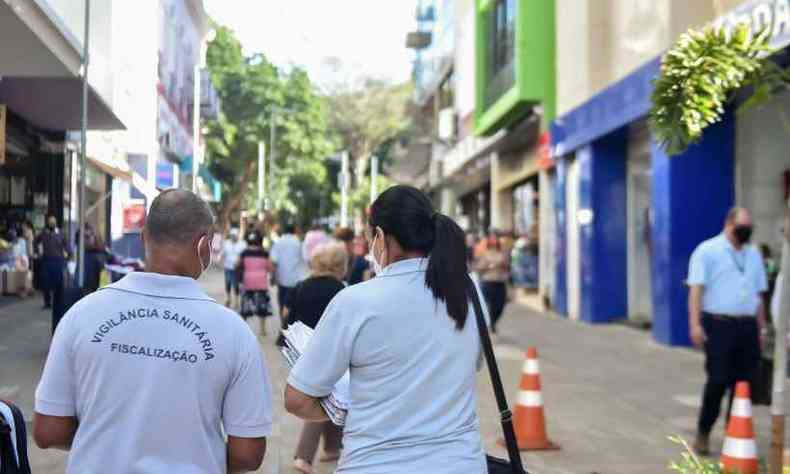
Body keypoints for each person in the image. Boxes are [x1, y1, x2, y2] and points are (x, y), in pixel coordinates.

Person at [32, 189, 272, 474]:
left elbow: (48, 431)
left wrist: (107, 442)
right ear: (204, 246)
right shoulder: (234, 332)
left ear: (144, 237)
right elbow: (248, 454)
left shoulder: (82, 315)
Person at [285, 185, 487, 474]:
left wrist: (347, 411)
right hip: (460, 464)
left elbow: (297, 399)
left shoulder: (355, 302)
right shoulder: (470, 293)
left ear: (379, 236)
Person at [688, 207, 767, 456]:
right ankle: (703, 432)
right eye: (742, 227)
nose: (746, 232)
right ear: (729, 224)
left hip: (746, 326)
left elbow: (758, 295)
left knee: (743, 384)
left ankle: (734, 433)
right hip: (718, 324)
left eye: (749, 227)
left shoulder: (753, 254)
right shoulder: (708, 251)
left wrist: (761, 328)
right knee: (718, 380)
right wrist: (695, 324)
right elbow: (696, 290)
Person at [283, 242, 348, 473]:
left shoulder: (301, 286)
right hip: (332, 353)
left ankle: (332, 448)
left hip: (302, 352)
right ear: (340, 265)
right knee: (323, 400)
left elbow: (287, 318)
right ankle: (304, 456)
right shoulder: (343, 290)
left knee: (334, 398)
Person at [35, 215, 71, 331]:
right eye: (50, 222)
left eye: (53, 222)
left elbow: (67, 246)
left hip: (58, 261)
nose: (51, 224)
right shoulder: (44, 234)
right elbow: (36, 242)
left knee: (59, 282)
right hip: (46, 260)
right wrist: (38, 252)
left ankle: (58, 301)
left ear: (56, 223)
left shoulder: (61, 234)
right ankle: (47, 302)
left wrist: (69, 256)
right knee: (46, 282)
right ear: (47, 223)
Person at [238, 230, 274, 336]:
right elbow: (270, 268)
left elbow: (236, 264)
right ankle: (262, 330)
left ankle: (243, 329)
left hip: (248, 281)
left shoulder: (244, 252)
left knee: (246, 305)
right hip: (261, 281)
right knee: (262, 305)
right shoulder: (265, 253)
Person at [476, 231, 511, 333]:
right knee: (489, 305)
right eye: (492, 238)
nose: (494, 240)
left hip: (500, 282)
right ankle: (491, 324)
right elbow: (478, 268)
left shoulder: (502, 253)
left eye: (496, 238)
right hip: (488, 282)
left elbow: (507, 267)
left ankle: (493, 322)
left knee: (500, 305)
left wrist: (503, 265)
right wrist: (488, 266)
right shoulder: (484, 253)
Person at [271, 224, 306, 317]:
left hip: (282, 279)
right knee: (294, 305)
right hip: (296, 280)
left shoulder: (278, 242)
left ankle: (283, 325)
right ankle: (290, 326)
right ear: (294, 230)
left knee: (282, 303)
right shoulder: (298, 242)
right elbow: (305, 259)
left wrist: (273, 276)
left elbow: (274, 261)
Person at [222, 227, 246, 308]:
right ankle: (228, 299)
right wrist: (220, 259)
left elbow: (244, 256)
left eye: (235, 235)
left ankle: (236, 301)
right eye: (232, 235)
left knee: (236, 284)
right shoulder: (226, 243)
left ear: (237, 236)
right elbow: (223, 253)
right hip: (227, 267)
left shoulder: (242, 244)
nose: (233, 237)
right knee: (227, 283)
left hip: (237, 268)